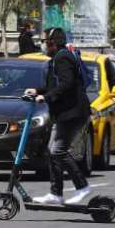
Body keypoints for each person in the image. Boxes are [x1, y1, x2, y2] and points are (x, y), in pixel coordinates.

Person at [24, 27, 93, 206]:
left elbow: (67, 84)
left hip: (73, 113)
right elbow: (57, 84)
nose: (43, 45)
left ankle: (82, 187)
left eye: (45, 41)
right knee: (53, 151)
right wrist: (38, 91)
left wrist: (45, 97)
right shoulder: (58, 58)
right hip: (67, 113)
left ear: (53, 43)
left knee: (58, 151)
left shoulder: (62, 58)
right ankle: (56, 193)